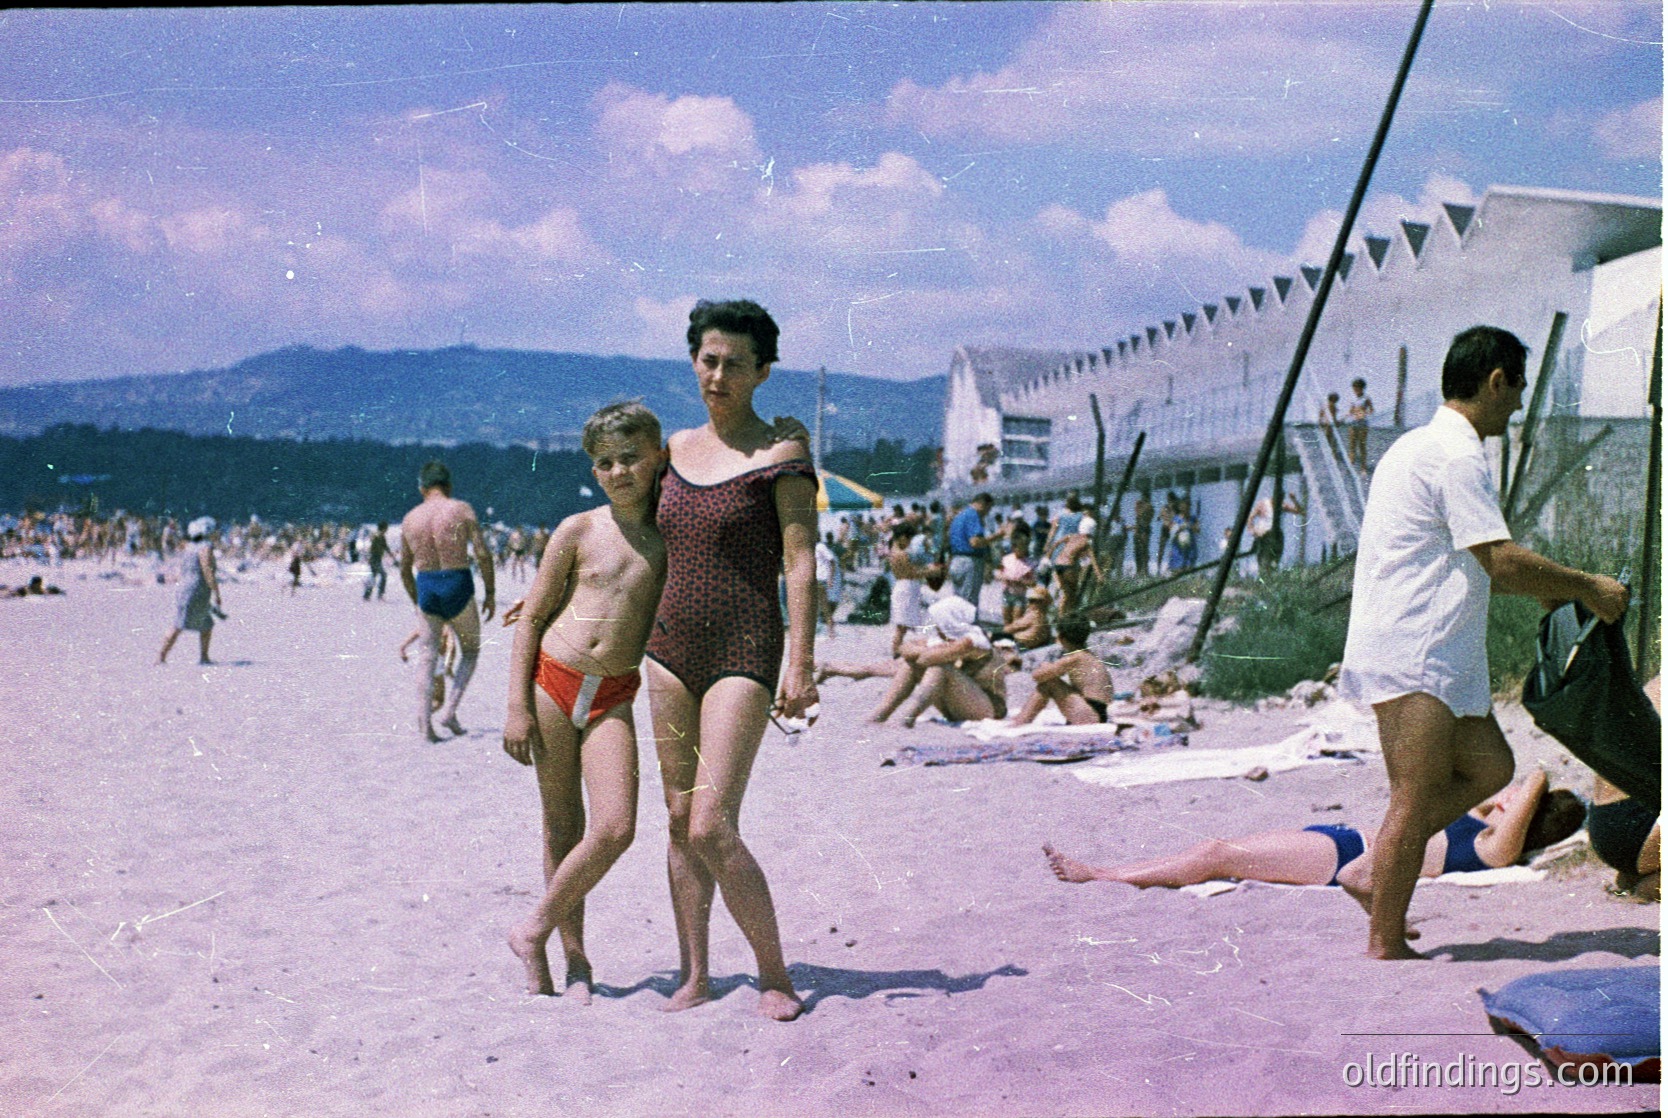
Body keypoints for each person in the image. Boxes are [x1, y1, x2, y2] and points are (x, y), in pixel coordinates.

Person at [1338, 325, 1630, 960]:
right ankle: (1384, 945)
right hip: (1415, 651)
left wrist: (1553, 591)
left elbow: (1467, 565)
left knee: (1492, 767)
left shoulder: (1419, 446)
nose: (1520, 403)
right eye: (1518, 387)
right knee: (1413, 800)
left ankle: (1373, 870)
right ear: (1496, 382)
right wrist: (1587, 587)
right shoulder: (1458, 455)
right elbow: (1499, 561)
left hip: (1429, 648)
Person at [643, 299, 817, 1021]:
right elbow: (636, 548)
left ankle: (774, 974)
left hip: (746, 648)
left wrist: (802, 664)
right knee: (679, 818)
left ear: (763, 372)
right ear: (694, 361)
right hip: (667, 650)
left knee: (713, 822)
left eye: (734, 364)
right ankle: (696, 974)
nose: (717, 375)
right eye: (707, 360)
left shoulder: (782, 454)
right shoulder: (670, 451)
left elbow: (802, 565)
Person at [500, 402, 668, 1001]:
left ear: (657, 457)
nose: (619, 471)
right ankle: (574, 963)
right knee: (561, 824)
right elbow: (534, 617)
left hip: (614, 695)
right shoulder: (578, 529)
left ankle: (533, 928)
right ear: (593, 471)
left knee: (616, 826)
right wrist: (516, 706)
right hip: (553, 680)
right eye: (605, 463)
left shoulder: (671, 536)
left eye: (630, 458)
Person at [1045, 771, 1583, 893]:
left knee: (1216, 853)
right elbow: (1489, 788)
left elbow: (1531, 774)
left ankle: (1099, 875)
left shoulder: (1495, 847)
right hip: (1341, 840)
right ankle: (1105, 872)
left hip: (1344, 857)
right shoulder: (1480, 823)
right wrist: (1505, 798)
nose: (1508, 795)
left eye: (1519, 801)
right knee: (1221, 850)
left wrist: (1539, 785)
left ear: (1528, 817)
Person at [400, 460, 498, 742]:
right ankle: (449, 711)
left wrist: (416, 602)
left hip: (427, 584)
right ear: (449, 486)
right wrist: (490, 592)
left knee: (427, 656)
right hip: (457, 582)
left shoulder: (410, 518)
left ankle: (424, 724)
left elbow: (404, 569)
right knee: (469, 651)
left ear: (422, 488)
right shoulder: (461, 509)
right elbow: (482, 553)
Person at [825, 596, 1017, 727]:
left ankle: (907, 719)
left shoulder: (972, 641)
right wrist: (925, 650)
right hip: (963, 705)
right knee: (912, 666)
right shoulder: (950, 640)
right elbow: (904, 649)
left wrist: (925, 651)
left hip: (989, 708)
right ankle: (881, 714)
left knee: (940, 668)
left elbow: (926, 657)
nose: (937, 628)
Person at [1586, 677, 1662, 900]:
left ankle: (1635, 875)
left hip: (1606, 824)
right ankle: (1650, 887)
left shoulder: (1656, 684)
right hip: (1637, 827)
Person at [1009, 614, 1112, 725]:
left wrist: (1045, 665)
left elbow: (1037, 676)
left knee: (1050, 683)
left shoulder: (1074, 658)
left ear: (1061, 638)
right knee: (1051, 681)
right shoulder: (1088, 656)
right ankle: (1022, 719)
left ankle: (1021, 721)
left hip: (1091, 714)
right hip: (1098, 711)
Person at [157, 517, 222, 665]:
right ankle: (161, 657)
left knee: (205, 624)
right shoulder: (205, 548)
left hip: (186, 587)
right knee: (180, 624)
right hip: (197, 589)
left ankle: (203, 657)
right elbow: (208, 571)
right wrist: (217, 593)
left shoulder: (188, 547)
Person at [886, 523, 936, 657]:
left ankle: (896, 651)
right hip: (906, 588)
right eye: (908, 539)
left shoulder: (893, 552)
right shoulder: (901, 554)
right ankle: (896, 652)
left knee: (903, 624)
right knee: (902, 626)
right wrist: (930, 572)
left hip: (903, 587)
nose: (909, 543)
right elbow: (911, 573)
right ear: (902, 537)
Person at [947, 493, 995, 620]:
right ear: (982, 504)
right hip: (969, 561)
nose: (986, 513)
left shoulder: (958, 516)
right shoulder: (973, 515)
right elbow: (975, 542)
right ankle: (969, 633)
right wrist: (998, 536)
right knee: (969, 602)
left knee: (958, 600)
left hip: (956, 560)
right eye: (988, 509)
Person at [996, 522, 1037, 627]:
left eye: (1024, 547)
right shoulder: (1006, 559)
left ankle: (1016, 639)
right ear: (1013, 547)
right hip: (1006, 593)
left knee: (1017, 619)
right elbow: (998, 573)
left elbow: (1033, 582)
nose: (1021, 550)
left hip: (1019, 595)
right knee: (1006, 618)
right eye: (1018, 547)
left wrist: (1022, 581)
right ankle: (1006, 639)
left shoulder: (1029, 563)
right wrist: (1004, 577)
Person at [1003, 585, 1052, 650]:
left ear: (1042, 602)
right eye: (1030, 600)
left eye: (1032, 601)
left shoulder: (1034, 615)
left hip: (1023, 647)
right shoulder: (1044, 618)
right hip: (1035, 647)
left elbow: (1008, 629)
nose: (1029, 603)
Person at [1346, 377, 1375, 471]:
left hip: (1362, 423)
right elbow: (1350, 411)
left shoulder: (1366, 398)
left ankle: (1363, 467)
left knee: (1362, 445)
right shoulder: (1352, 398)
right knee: (1352, 444)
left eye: (1357, 388)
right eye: (1354, 388)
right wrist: (1344, 417)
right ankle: (1351, 465)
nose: (1355, 390)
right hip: (1353, 422)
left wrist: (1364, 414)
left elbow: (1371, 410)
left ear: (1362, 388)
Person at [363, 521, 390, 601]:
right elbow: (371, 548)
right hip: (374, 559)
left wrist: (392, 555)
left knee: (373, 577)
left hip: (377, 559)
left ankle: (367, 595)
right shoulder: (376, 536)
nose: (387, 530)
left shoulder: (382, 536)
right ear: (383, 528)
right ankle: (380, 594)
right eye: (386, 528)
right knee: (383, 575)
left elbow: (385, 547)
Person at [1132, 491, 1154, 578]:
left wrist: (1142, 507)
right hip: (1139, 529)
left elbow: (1146, 518)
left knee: (1144, 550)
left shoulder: (1149, 507)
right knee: (1137, 551)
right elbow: (1137, 514)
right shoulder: (1140, 505)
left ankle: (1145, 571)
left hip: (1144, 529)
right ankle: (1139, 571)